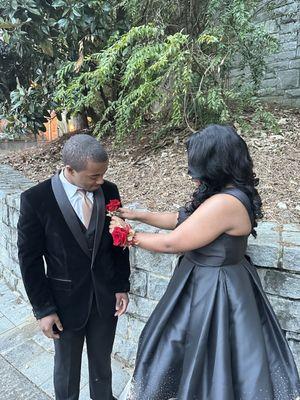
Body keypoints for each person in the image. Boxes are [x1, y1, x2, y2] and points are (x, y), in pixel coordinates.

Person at [110, 125, 300, 400]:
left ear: (215, 164)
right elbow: (180, 219)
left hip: (217, 288)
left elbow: (172, 242)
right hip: (204, 279)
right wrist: (139, 215)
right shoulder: (222, 192)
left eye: (196, 166)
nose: (192, 174)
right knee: (180, 346)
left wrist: (128, 235)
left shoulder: (226, 203)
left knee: (212, 356)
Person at [17, 134, 130, 400]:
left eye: (103, 174)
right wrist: (43, 309)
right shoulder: (35, 200)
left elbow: (118, 243)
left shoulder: (109, 192)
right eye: (94, 176)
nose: (100, 181)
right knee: (66, 368)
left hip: (104, 299)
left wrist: (121, 286)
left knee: (102, 363)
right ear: (69, 169)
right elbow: (29, 260)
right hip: (63, 304)